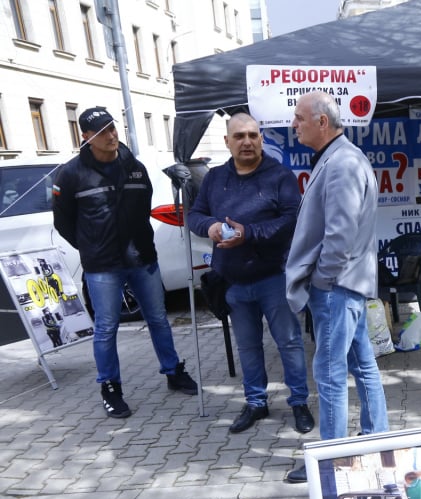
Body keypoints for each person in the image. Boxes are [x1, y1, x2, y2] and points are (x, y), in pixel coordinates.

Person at [52, 106, 197, 418]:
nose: (111, 135)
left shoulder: (134, 167)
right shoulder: (72, 173)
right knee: (106, 328)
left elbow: (142, 206)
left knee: (158, 319)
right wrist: (91, 247)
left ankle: (173, 372)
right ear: (86, 137)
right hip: (102, 266)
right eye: (102, 131)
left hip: (142, 259)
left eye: (112, 128)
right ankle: (110, 388)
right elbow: (64, 223)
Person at [284, 91, 389, 483]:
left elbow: (340, 236)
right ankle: (377, 443)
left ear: (321, 122)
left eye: (299, 118)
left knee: (329, 373)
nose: (294, 125)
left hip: (337, 287)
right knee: (363, 365)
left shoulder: (342, 163)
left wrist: (324, 281)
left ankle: (332, 464)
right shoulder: (342, 157)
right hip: (348, 286)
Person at [187, 113, 314, 435]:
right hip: (233, 282)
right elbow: (195, 215)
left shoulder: (279, 175)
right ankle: (256, 402)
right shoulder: (215, 178)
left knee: (289, 343)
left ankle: (299, 402)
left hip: (273, 276)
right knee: (248, 347)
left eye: (253, 135)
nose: (247, 141)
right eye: (239, 136)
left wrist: (251, 234)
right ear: (227, 142)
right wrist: (211, 227)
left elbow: (291, 219)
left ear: (261, 139)